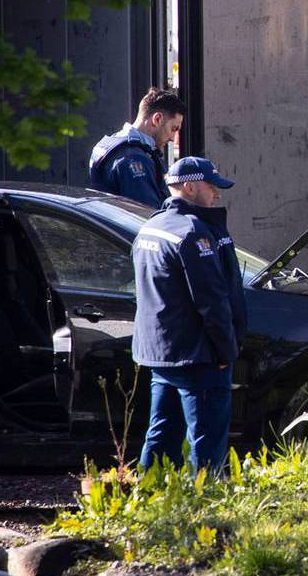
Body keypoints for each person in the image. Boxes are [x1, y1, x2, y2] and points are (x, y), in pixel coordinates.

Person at [133, 156, 247, 473]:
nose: (217, 194)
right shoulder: (192, 234)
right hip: (198, 357)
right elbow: (211, 300)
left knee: (160, 438)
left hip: (160, 355)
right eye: (212, 187)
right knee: (207, 444)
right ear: (191, 186)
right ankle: (206, 506)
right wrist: (226, 350)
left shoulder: (150, 227)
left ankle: (150, 502)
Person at [89, 87, 185, 208]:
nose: (172, 137)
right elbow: (147, 213)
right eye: (173, 129)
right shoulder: (135, 159)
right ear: (157, 119)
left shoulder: (108, 143)